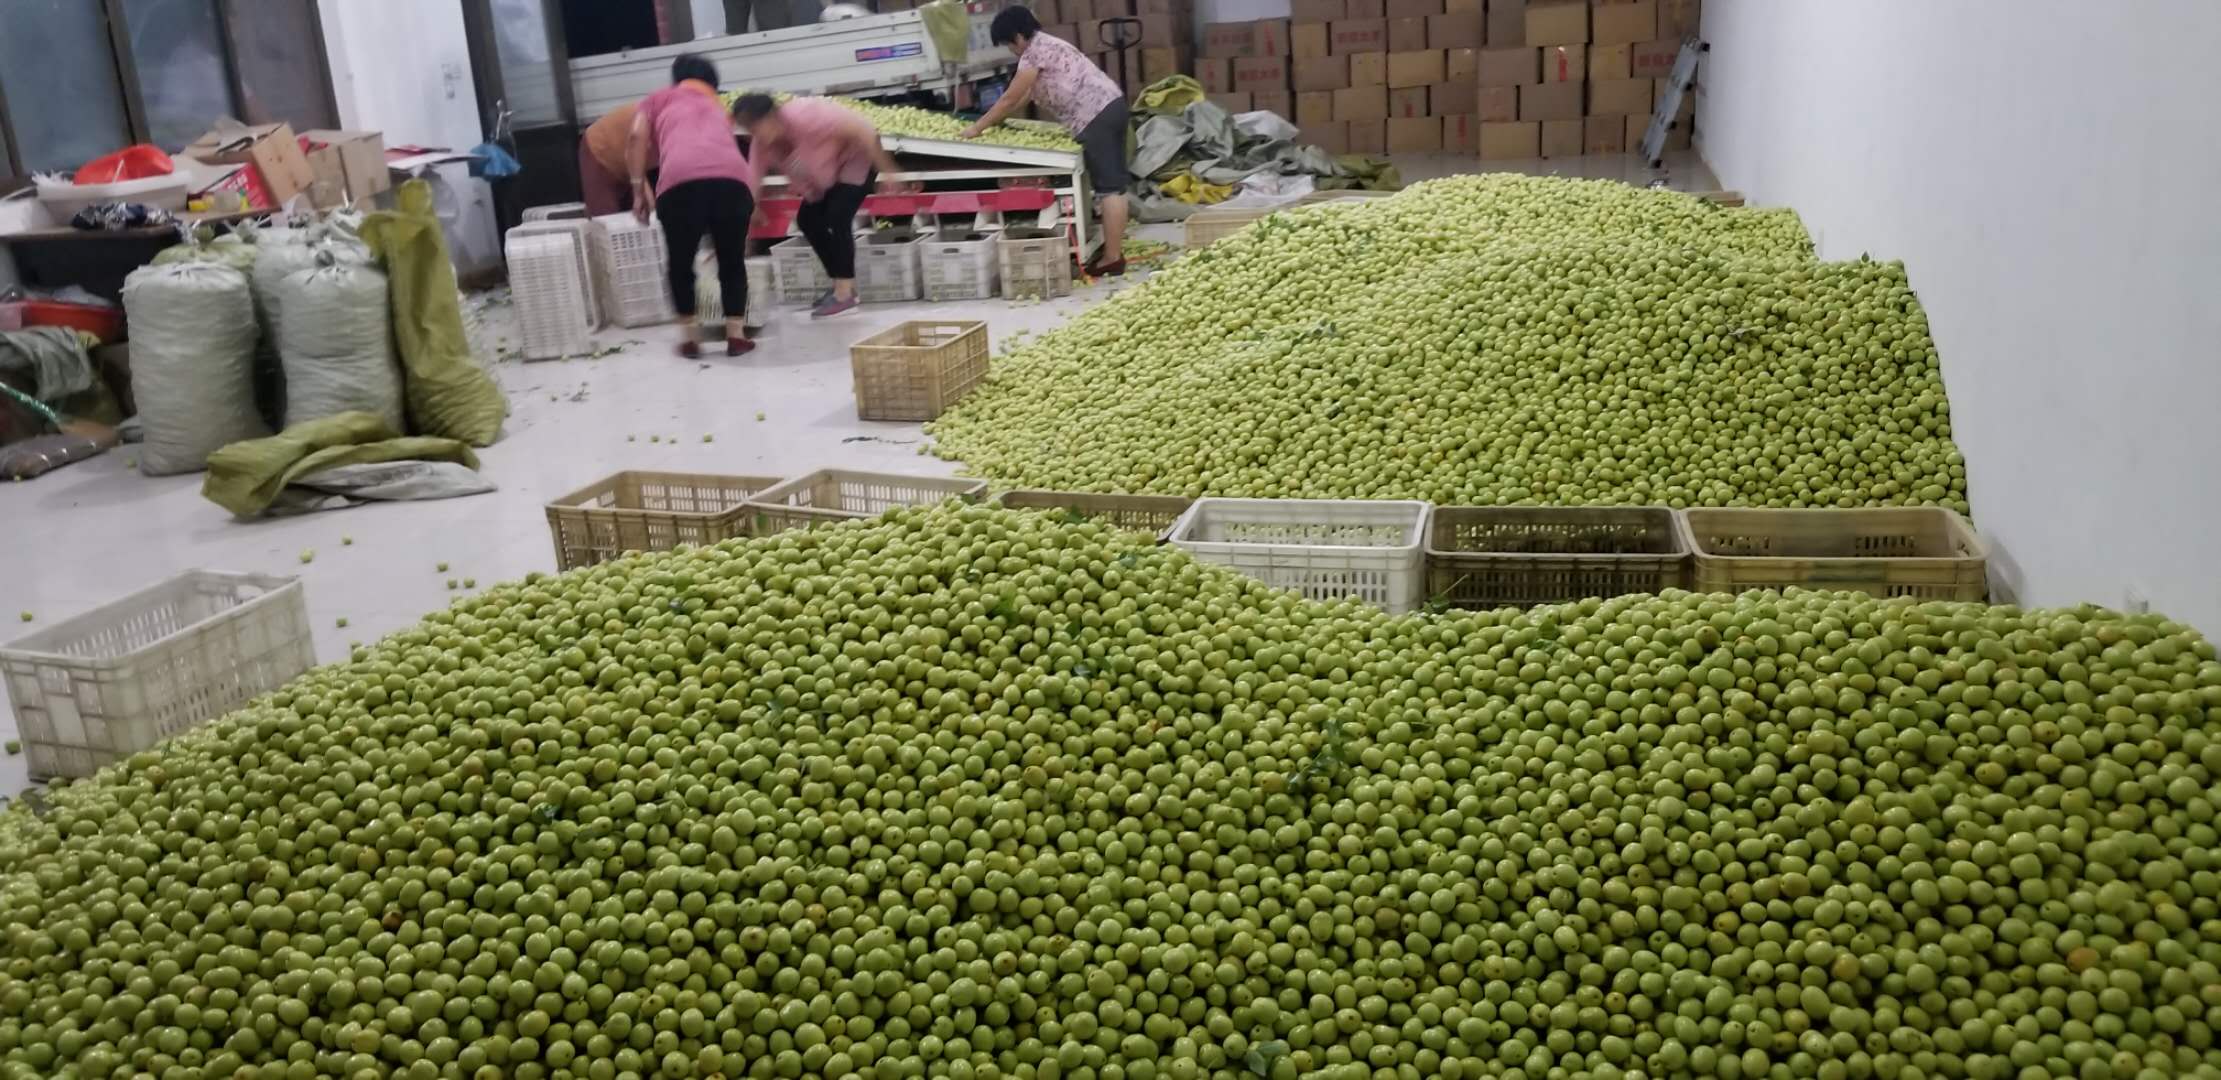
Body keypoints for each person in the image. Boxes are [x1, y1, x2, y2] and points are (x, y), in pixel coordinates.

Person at [963, 5, 1129, 276]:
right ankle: (1113, 249)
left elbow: (1009, 98)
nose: (1011, 51)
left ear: (1018, 36)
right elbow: (1025, 94)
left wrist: (978, 127)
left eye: (1008, 44)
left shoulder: (1034, 53)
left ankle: (1112, 258)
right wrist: (1001, 118)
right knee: (1115, 185)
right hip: (1110, 106)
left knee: (1110, 188)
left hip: (1095, 115)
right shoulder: (1049, 45)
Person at [627, 54, 756, 358]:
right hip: (734, 182)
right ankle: (736, 337)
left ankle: (690, 339)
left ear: (677, 78)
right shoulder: (719, 106)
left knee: (681, 263)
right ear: (712, 82)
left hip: (680, 183)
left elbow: (635, 136)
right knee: (732, 261)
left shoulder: (658, 99)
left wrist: (637, 189)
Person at [730, 94, 902, 319]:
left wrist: (888, 170)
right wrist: (743, 229)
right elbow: (752, 180)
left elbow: (865, 130)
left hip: (856, 158)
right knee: (809, 220)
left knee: (837, 216)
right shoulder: (761, 144)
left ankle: (844, 294)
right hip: (824, 177)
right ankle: (841, 284)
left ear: (771, 117)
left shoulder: (806, 115)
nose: (754, 135)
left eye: (755, 127)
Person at [579, 102, 643, 217]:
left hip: (627, 156)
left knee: (638, 217)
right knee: (605, 219)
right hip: (598, 149)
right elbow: (639, 156)